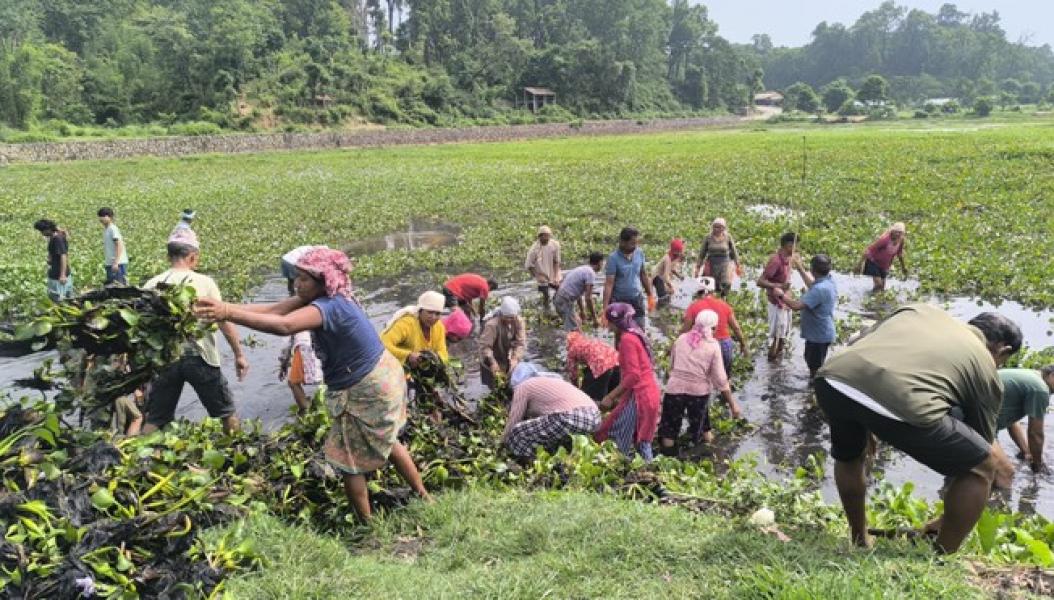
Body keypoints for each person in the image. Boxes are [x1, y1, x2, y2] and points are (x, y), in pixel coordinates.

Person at [193, 247, 430, 520]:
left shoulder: (329, 307)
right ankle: (423, 495)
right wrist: (224, 310)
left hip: (367, 386)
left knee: (349, 460)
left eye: (303, 279)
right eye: (296, 277)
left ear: (323, 280)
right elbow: (274, 310)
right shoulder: (333, 296)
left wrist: (226, 311)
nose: (297, 284)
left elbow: (284, 325)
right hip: (383, 374)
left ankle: (369, 526)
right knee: (388, 440)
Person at [815, 305, 1020, 553]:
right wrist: (951, 515)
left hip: (833, 379)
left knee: (849, 457)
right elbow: (981, 447)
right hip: (900, 401)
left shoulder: (920, 310)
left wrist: (868, 425)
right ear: (1003, 349)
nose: (999, 366)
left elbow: (863, 341)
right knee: (983, 466)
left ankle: (860, 539)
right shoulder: (985, 365)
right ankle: (942, 556)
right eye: (1003, 361)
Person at [142, 228, 249, 434]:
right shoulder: (204, 282)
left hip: (165, 359)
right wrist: (239, 355)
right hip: (200, 357)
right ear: (192, 257)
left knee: (156, 418)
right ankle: (237, 451)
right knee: (226, 413)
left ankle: (140, 460)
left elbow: (144, 328)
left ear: (168, 256)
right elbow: (224, 320)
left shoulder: (151, 284)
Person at [659, 310, 740, 453]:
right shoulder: (713, 345)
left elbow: (672, 366)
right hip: (698, 395)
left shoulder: (681, 339)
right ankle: (702, 457)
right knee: (700, 429)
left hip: (674, 390)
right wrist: (732, 405)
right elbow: (720, 379)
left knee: (669, 430)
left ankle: (667, 460)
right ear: (713, 328)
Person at [594, 303, 661, 460]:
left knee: (615, 432)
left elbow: (633, 376)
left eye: (610, 323)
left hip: (640, 396)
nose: (609, 327)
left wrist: (610, 397)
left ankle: (640, 471)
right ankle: (648, 472)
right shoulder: (635, 333)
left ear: (616, 322)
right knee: (640, 439)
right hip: (647, 393)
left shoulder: (627, 340)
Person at [503, 364, 601, 459]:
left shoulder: (523, 387)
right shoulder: (552, 380)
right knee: (548, 435)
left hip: (572, 417)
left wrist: (502, 442)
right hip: (595, 417)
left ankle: (533, 465)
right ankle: (559, 460)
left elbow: (514, 419)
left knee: (517, 433)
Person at [778, 254, 837, 380]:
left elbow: (796, 306)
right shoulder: (828, 281)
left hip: (818, 335)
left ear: (813, 270)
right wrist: (800, 269)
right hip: (822, 333)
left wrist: (781, 295)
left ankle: (813, 389)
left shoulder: (819, 289)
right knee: (812, 362)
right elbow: (812, 285)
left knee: (814, 367)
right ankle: (812, 388)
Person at [682, 276, 749, 381]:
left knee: (705, 378)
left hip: (705, 345)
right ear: (713, 291)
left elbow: (685, 331)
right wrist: (743, 345)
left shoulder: (693, 307)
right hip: (724, 344)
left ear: (698, 292)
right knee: (725, 379)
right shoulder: (724, 305)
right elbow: (736, 328)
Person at [997, 366, 1053, 473]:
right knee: (1005, 473)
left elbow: (1012, 421)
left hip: (968, 415)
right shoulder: (1040, 389)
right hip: (978, 424)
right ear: (1051, 375)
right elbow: (1035, 433)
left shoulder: (1031, 377)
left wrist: (1026, 451)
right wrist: (1038, 465)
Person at [603, 227, 655, 330]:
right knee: (621, 332)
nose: (635, 246)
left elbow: (643, 274)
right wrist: (605, 308)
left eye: (636, 243)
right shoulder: (613, 258)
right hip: (619, 301)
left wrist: (650, 295)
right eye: (632, 243)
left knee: (640, 329)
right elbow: (609, 284)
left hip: (637, 299)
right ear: (622, 242)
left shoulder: (639, 253)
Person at [381, 291, 449, 367]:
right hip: (397, 365)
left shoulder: (439, 326)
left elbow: (443, 353)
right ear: (420, 310)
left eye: (437, 314)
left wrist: (437, 358)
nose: (433, 317)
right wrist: (407, 356)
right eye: (430, 312)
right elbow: (383, 345)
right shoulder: (406, 324)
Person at [757, 232, 797, 361]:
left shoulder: (789, 259)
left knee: (783, 337)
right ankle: (771, 363)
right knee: (776, 337)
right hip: (776, 303)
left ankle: (777, 366)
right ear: (788, 245)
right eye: (795, 246)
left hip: (785, 302)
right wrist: (779, 285)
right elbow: (760, 281)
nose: (797, 249)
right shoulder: (776, 261)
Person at [479, 296, 527, 389]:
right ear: (501, 315)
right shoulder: (492, 325)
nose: (510, 320)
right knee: (494, 382)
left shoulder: (518, 321)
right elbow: (485, 347)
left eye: (512, 318)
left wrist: (515, 358)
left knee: (511, 376)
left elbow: (520, 343)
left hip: (506, 352)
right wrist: (492, 362)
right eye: (507, 318)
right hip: (492, 354)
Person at [553, 252, 604, 332]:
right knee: (574, 330)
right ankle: (572, 343)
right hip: (564, 300)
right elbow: (588, 298)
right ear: (600, 263)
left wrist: (582, 311)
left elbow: (578, 293)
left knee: (578, 322)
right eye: (602, 263)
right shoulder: (591, 273)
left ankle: (574, 341)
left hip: (559, 297)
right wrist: (595, 318)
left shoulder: (583, 269)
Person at [565, 330, 620, 402]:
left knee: (591, 396)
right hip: (616, 361)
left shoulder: (572, 349)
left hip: (601, 364)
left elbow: (573, 372)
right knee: (611, 394)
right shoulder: (590, 341)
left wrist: (576, 388)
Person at [694, 218, 741, 296]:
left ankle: (723, 299)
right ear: (713, 227)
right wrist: (698, 267)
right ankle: (708, 300)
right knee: (708, 284)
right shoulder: (708, 237)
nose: (717, 229)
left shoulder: (728, 237)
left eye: (720, 227)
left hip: (725, 263)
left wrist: (738, 265)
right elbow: (702, 254)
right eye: (715, 227)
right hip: (711, 262)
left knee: (726, 283)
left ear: (724, 228)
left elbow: (734, 251)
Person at [280, 330, 323, 414]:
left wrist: (283, 365)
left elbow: (286, 346)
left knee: (292, 382)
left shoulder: (290, 320)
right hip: (320, 346)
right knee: (326, 377)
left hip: (304, 348)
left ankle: (306, 409)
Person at [856, 222, 908, 292]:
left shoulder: (901, 240)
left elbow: (899, 254)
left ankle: (875, 300)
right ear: (892, 231)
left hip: (884, 266)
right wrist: (859, 264)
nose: (898, 234)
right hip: (873, 262)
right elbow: (868, 250)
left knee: (882, 288)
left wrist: (903, 267)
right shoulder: (884, 240)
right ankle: (871, 300)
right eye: (896, 232)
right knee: (878, 285)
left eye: (900, 232)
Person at [34, 219, 73, 302]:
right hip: (56, 272)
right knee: (64, 299)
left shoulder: (57, 239)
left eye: (42, 231)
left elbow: (63, 256)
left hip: (59, 275)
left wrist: (62, 275)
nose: (42, 234)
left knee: (61, 300)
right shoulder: (55, 236)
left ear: (48, 229)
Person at [525, 225, 562, 305]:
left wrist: (556, 276)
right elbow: (529, 265)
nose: (547, 238)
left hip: (552, 271)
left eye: (548, 235)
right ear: (540, 236)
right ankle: (546, 307)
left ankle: (556, 302)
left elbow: (556, 261)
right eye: (545, 236)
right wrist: (537, 276)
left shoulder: (555, 245)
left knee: (560, 289)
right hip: (541, 274)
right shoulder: (534, 249)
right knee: (545, 295)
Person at [97, 207, 129, 285]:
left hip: (118, 264)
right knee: (111, 288)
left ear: (110, 217)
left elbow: (119, 245)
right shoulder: (106, 229)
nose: (101, 219)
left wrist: (116, 262)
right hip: (110, 263)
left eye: (104, 216)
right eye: (100, 216)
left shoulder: (113, 229)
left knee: (119, 288)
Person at [651, 238, 685, 303]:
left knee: (669, 292)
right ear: (675, 251)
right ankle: (660, 308)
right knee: (663, 297)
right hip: (657, 277)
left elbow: (672, 269)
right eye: (679, 252)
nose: (680, 253)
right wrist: (671, 287)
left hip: (661, 275)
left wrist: (679, 276)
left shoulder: (674, 256)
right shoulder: (667, 259)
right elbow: (665, 278)